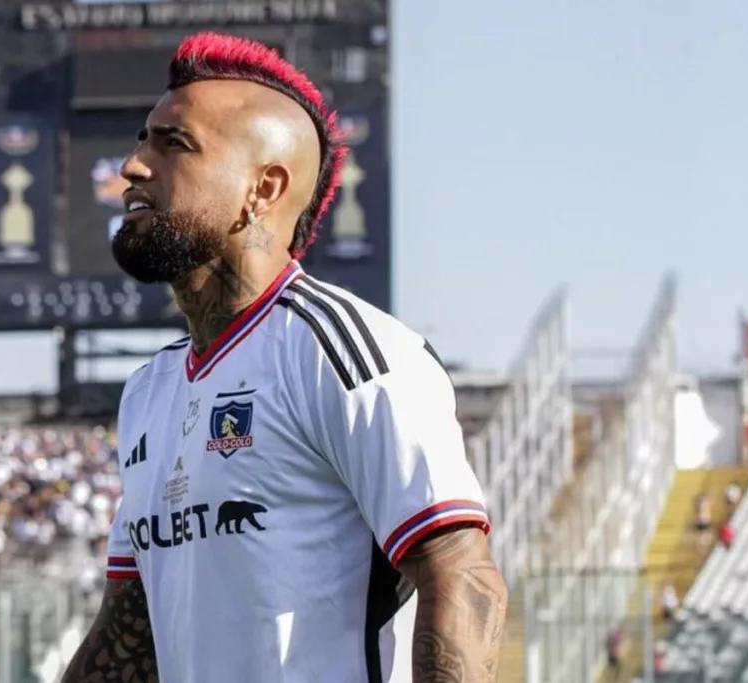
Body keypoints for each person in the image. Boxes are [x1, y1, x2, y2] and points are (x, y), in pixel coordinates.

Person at [61, 31, 507, 683]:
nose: (131, 166)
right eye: (140, 139)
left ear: (262, 190)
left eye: (173, 143)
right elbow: (132, 631)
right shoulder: (148, 390)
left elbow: (459, 574)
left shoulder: (347, 352)